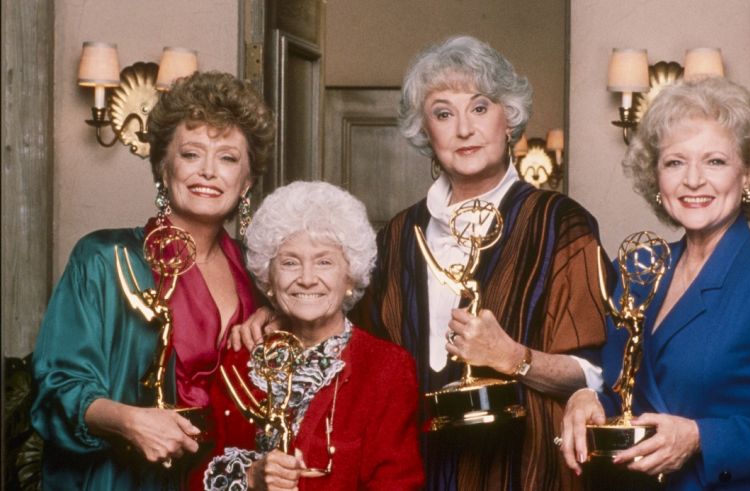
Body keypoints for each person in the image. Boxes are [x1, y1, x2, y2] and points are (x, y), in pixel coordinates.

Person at [232, 35, 610, 490]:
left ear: (508, 117)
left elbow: (596, 373)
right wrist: (281, 316)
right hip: (412, 471)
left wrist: (513, 357)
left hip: (525, 469)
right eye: (443, 113)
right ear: (425, 131)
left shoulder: (559, 223)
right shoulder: (397, 236)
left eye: (480, 107)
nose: (464, 129)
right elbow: (351, 340)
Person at [558, 76, 750, 490]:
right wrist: (588, 398)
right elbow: (625, 394)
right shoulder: (637, 269)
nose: (693, 180)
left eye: (715, 161)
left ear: (749, 175)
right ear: (656, 177)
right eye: (675, 162)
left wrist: (700, 438)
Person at [31, 70, 275, 490]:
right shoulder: (105, 259)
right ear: (163, 167)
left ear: (247, 182)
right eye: (191, 154)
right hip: (126, 477)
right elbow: (56, 390)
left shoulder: (258, 274)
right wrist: (129, 421)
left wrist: (279, 318)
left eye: (228, 158)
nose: (208, 171)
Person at [204, 181, 423, 490]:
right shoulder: (239, 361)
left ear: (350, 276)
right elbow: (197, 473)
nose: (307, 279)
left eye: (324, 262)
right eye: (290, 262)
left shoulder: (387, 369)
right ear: (268, 278)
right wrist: (250, 476)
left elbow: (397, 485)